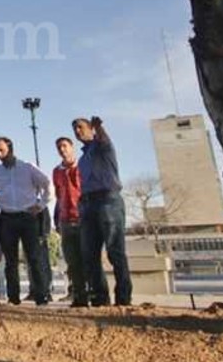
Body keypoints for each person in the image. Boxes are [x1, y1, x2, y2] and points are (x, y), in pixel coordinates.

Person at [0, 136, 52, 306]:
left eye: (2, 150)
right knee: (10, 261)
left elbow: (47, 183)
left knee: (34, 258)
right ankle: (13, 299)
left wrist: (41, 204)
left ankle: (41, 297)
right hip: (7, 218)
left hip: (28, 217)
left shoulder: (27, 168)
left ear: (10, 149)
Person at [74, 116, 132, 307]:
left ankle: (123, 298)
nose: (77, 131)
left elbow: (104, 140)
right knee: (89, 254)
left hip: (108, 201)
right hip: (88, 205)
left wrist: (99, 129)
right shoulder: (82, 160)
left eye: (81, 127)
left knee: (115, 250)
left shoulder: (103, 147)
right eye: (75, 128)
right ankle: (100, 297)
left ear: (91, 128)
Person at [53, 136, 89, 307]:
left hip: (83, 218)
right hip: (65, 221)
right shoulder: (57, 171)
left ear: (72, 147)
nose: (62, 149)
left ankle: (97, 296)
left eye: (65, 146)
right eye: (59, 147)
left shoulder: (83, 165)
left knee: (89, 259)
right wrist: (58, 218)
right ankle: (79, 297)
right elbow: (58, 195)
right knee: (72, 263)